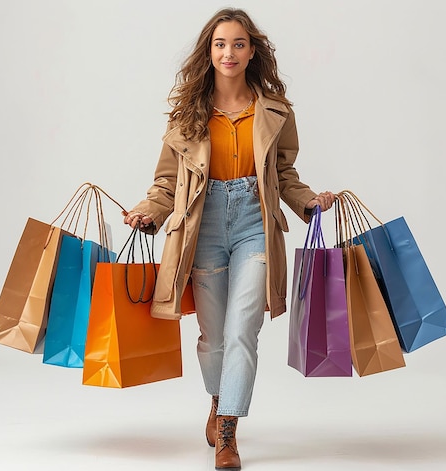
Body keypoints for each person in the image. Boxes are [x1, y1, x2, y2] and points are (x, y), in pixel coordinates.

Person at [124, 8, 335, 470]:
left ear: (252, 51)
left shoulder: (276, 112)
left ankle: (228, 432)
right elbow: (165, 184)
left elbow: (284, 174)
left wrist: (308, 202)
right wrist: (147, 213)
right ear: (209, 51)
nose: (229, 52)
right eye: (221, 44)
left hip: (254, 222)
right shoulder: (187, 114)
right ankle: (218, 399)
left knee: (243, 330)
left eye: (238, 43)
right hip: (203, 225)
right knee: (212, 336)